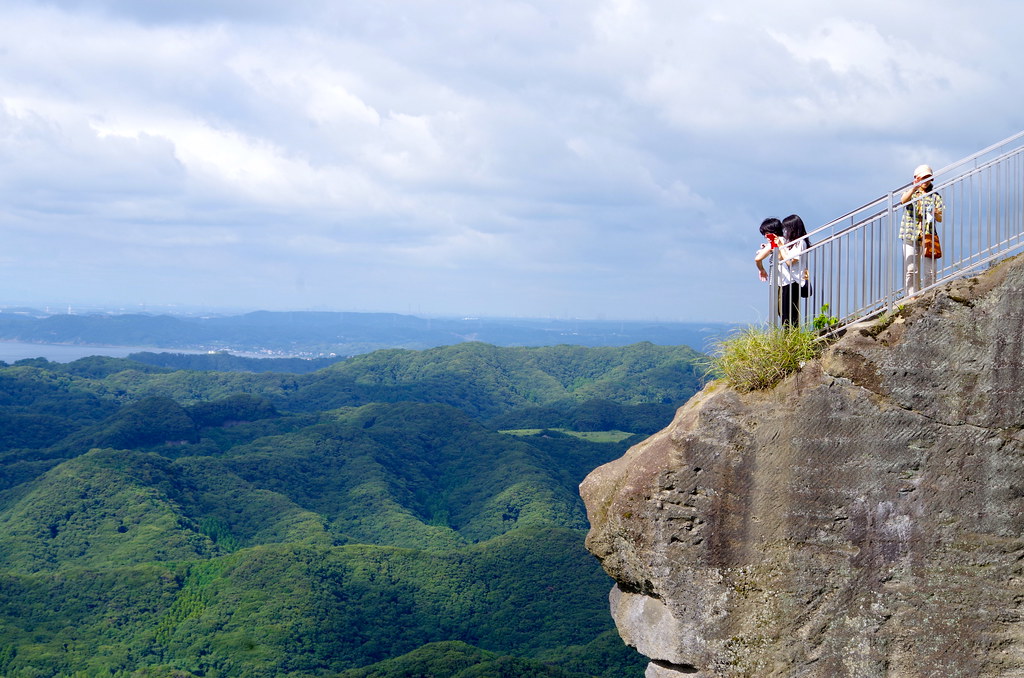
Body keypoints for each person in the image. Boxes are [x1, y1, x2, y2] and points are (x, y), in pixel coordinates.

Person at [899, 164, 944, 296]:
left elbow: (940, 218)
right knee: (911, 269)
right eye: (923, 178)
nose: (926, 181)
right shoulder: (911, 193)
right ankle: (912, 296)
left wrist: (935, 213)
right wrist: (914, 189)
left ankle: (929, 294)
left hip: (928, 234)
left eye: (928, 178)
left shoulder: (935, 196)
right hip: (910, 233)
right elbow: (903, 201)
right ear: (917, 178)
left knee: (930, 270)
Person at [755, 215, 809, 327]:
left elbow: (789, 261)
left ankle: (791, 340)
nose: (785, 231)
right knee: (785, 313)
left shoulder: (798, 242)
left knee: (788, 315)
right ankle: (789, 339)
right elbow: (783, 256)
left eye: (786, 228)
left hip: (792, 281)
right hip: (786, 281)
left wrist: (761, 269)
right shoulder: (788, 243)